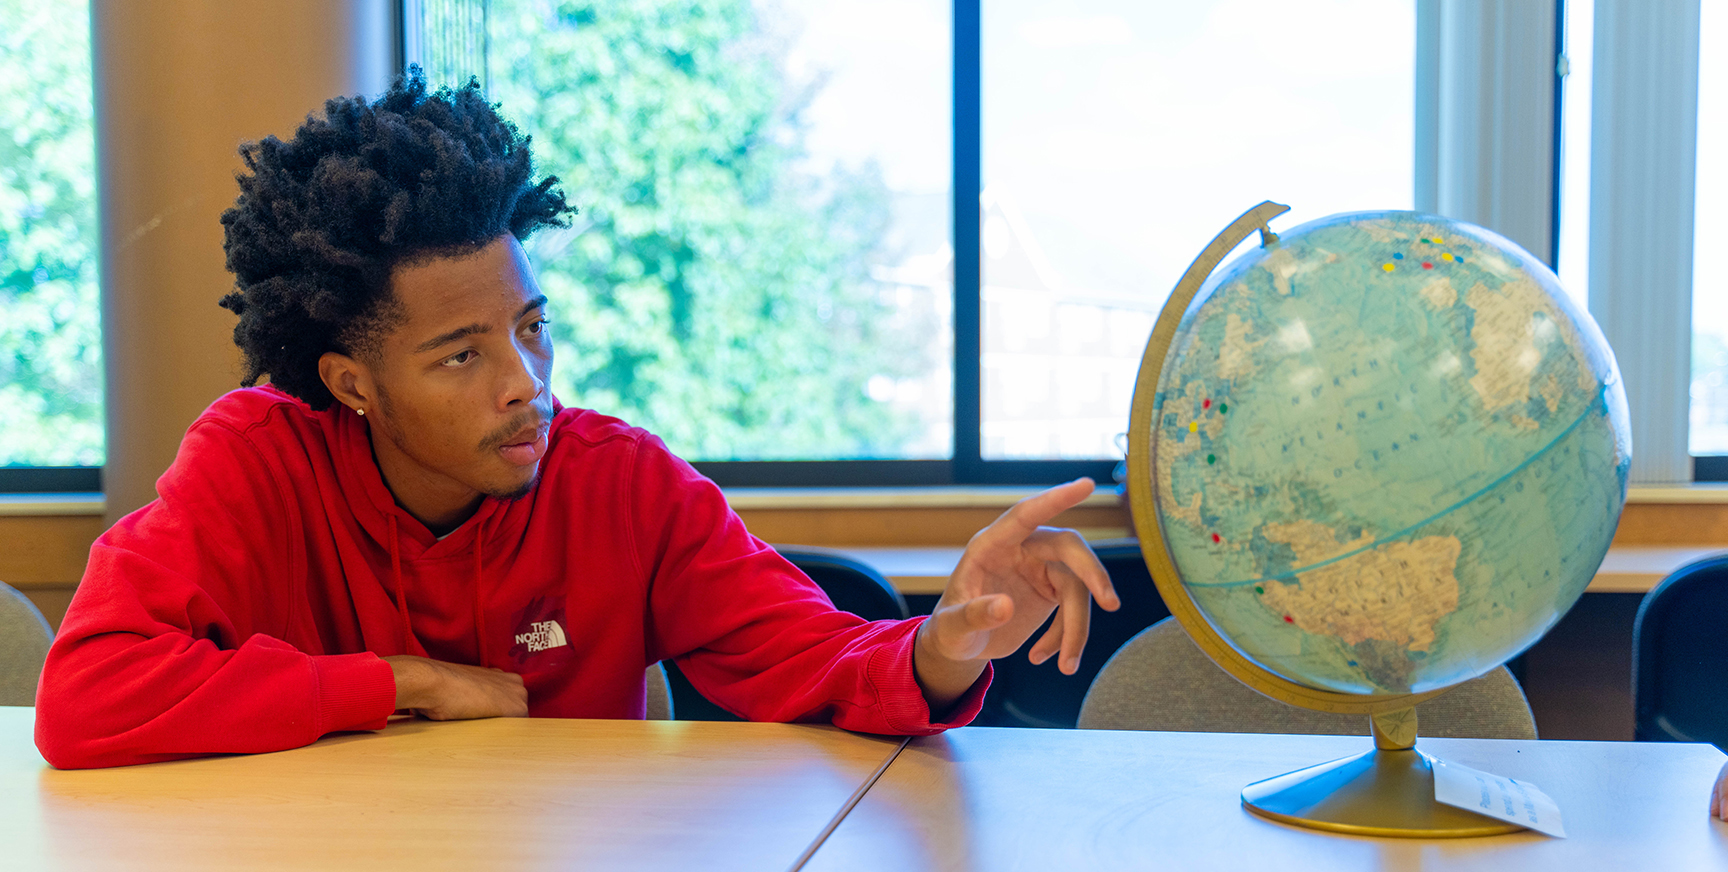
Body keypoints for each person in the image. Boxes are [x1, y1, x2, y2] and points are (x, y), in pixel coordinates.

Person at [32, 72, 1118, 769]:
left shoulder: (623, 483)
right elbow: (87, 693)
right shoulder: (253, 460)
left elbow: (821, 657)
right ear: (350, 379)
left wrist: (945, 640)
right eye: (462, 353)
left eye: (531, 326)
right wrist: (399, 679)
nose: (527, 383)